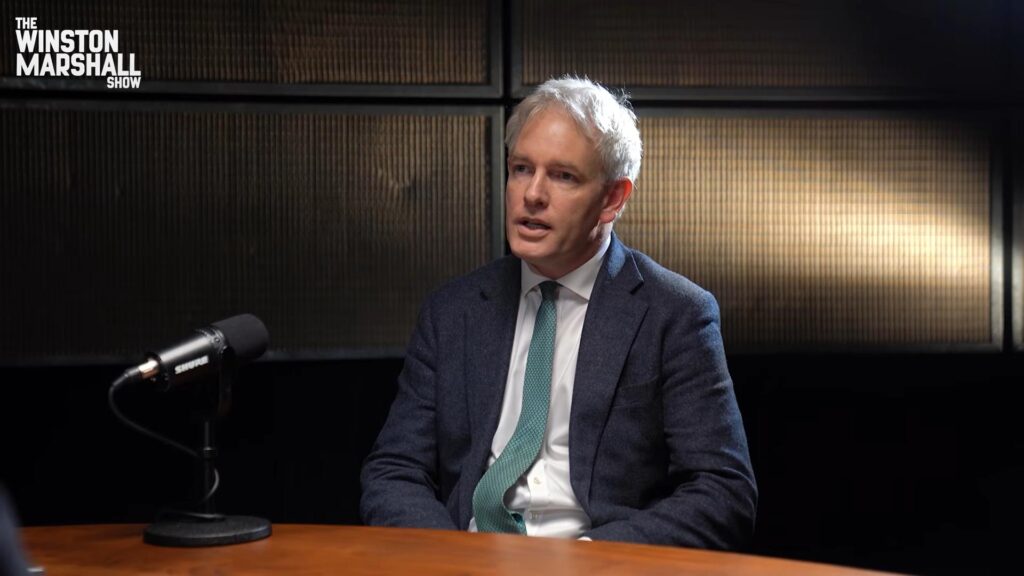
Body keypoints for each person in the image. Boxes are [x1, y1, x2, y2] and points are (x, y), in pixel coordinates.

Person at [360, 76, 756, 549]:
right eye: (521, 169)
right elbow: (394, 470)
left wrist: (589, 561)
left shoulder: (676, 315)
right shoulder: (452, 312)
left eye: (563, 176)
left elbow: (723, 492)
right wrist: (453, 559)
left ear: (612, 198)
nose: (532, 194)